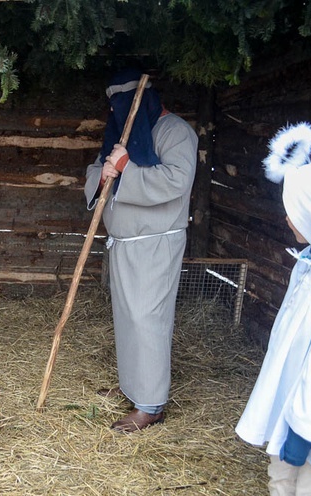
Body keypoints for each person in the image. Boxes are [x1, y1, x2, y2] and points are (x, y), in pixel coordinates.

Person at [84, 68, 198, 432]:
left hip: (154, 246)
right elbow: (100, 167)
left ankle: (150, 405)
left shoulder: (175, 132)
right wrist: (104, 173)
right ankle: (132, 388)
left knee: (148, 320)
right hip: (124, 246)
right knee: (127, 319)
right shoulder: (124, 132)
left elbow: (176, 180)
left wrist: (126, 168)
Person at [236, 123, 311, 495]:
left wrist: (304, 431)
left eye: (296, 210)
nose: (287, 219)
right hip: (292, 409)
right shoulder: (310, 264)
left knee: (309, 487)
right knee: (281, 480)